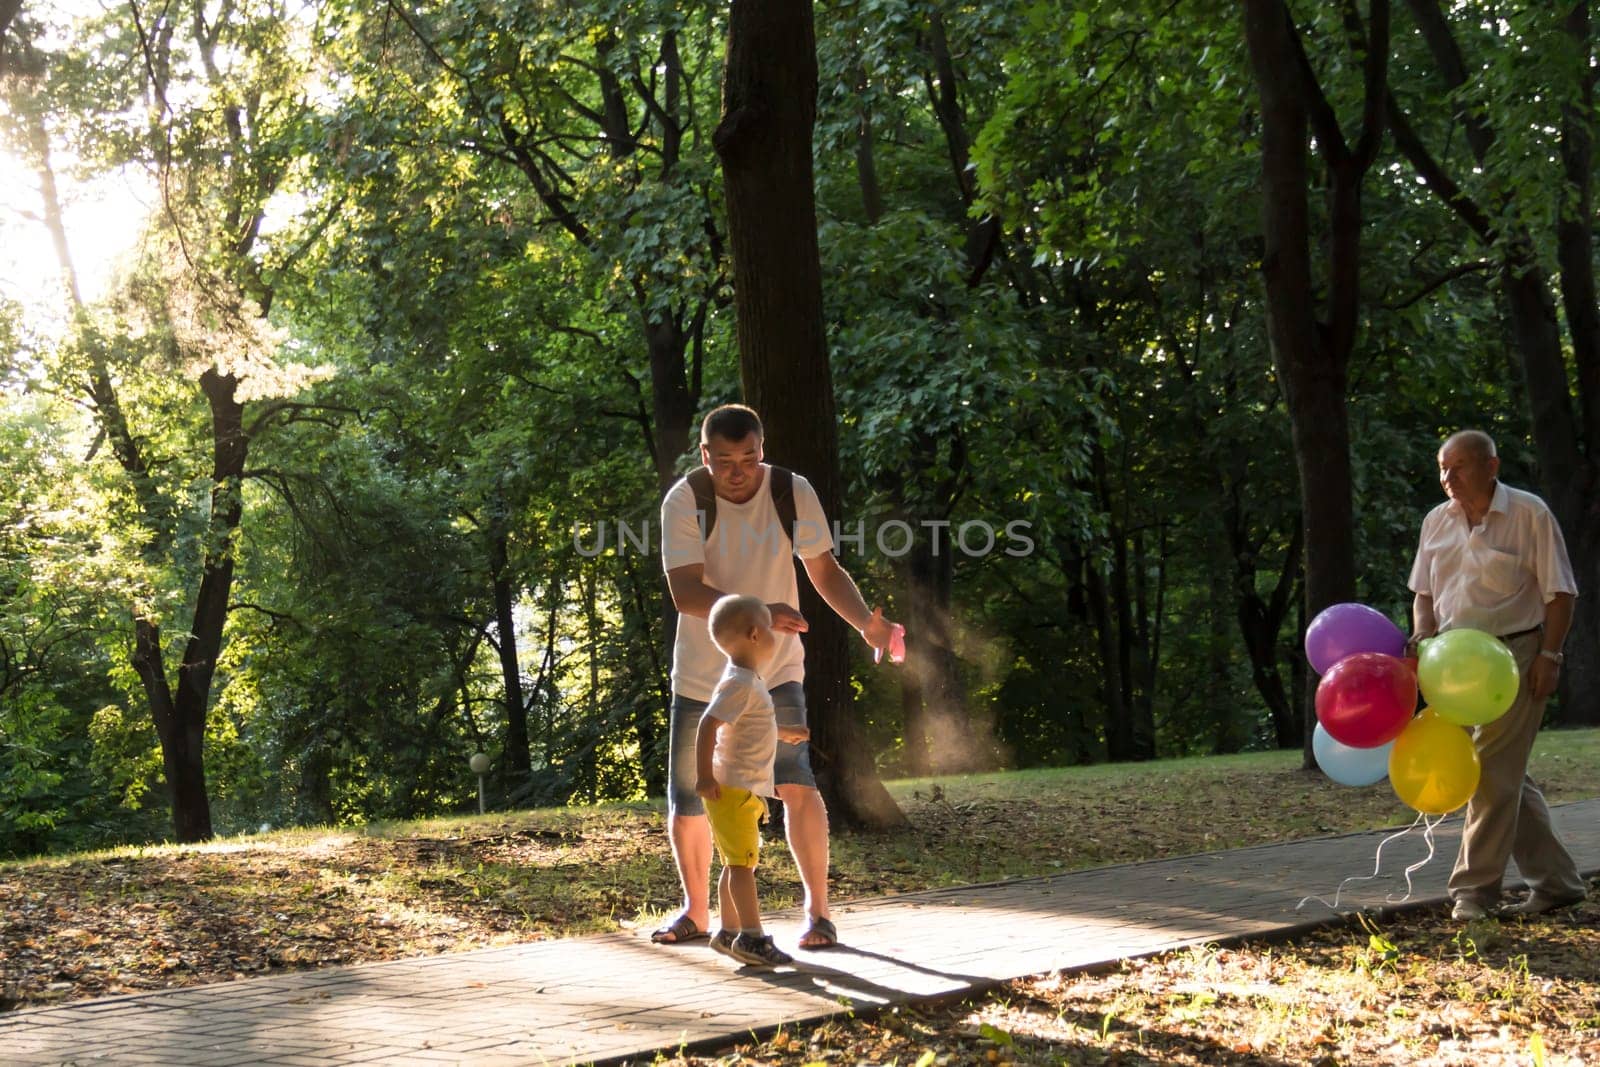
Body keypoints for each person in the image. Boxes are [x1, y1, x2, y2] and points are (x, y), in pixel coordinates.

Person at [653, 403, 898, 949]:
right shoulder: (686, 500)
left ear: (762, 450)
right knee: (691, 795)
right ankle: (695, 911)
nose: (738, 471)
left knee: (795, 781)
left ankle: (819, 914)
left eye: (749, 458)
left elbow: (823, 569)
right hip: (701, 674)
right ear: (704, 455)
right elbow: (685, 592)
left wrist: (866, 624)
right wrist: (760, 608)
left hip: (776, 669)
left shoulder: (791, 490)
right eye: (724, 461)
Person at [1407, 429, 1589, 921]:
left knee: (1489, 773)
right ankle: (1558, 883)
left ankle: (1473, 892)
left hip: (1517, 657)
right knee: (1505, 777)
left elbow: (1561, 594)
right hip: (1451, 664)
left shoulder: (1530, 514)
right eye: (1442, 468)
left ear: (1491, 466)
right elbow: (1423, 593)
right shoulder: (1436, 522)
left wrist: (1550, 657)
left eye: (1459, 467)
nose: (1448, 478)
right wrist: (1423, 637)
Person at [694, 594, 809, 967]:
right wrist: (703, 777)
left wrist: (783, 731)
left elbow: (748, 726)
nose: (777, 637)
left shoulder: (745, 682)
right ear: (755, 635)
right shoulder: (741, 682)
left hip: (738, 790)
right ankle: (752, 938)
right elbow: (708, 725)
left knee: (736, 863)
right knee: (742, 866)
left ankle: (728, 932)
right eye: (771, 630)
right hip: (732, 789)